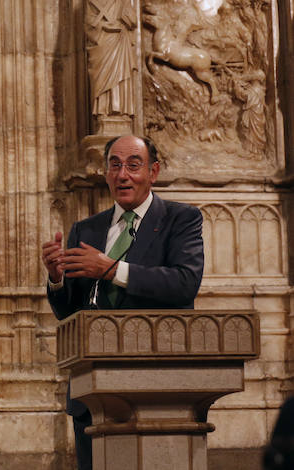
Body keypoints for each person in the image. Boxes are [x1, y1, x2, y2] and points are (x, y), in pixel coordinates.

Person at [41, 134, 205, 470]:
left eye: (133, 165)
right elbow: (71, 312)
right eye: (114, 165)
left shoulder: (180, 219)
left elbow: (184, 284)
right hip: (92, 393)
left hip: (159, 389)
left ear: (153, 172)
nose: (122, 174)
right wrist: (57, 278)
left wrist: (113, 270)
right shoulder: (86, 230)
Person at [86, 0, 137, 118]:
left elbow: (133, 20)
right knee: (102, 78)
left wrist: (125, 19)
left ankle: (121, 110)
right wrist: (103, 26)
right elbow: (88, 23)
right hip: (103, 43)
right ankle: (104, 111)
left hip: (120, 41)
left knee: (122, 76)